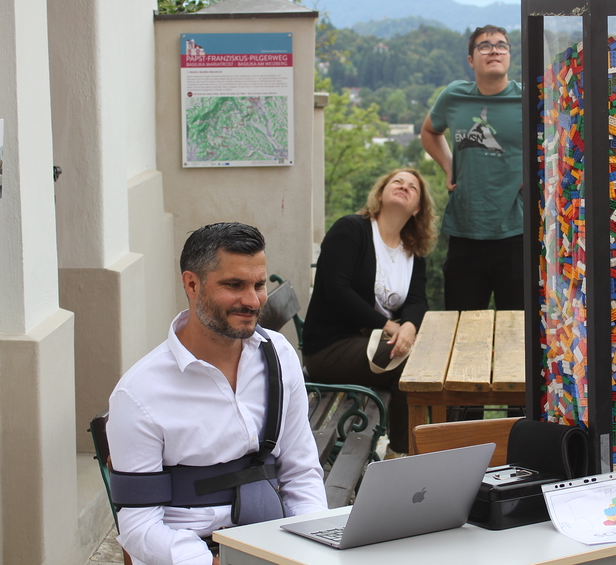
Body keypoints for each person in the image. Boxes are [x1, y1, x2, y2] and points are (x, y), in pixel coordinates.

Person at [107, 222, 327, 565]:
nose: (252, 301)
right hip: (192, 553)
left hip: (273, 544)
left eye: (259, 285)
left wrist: (312, 543)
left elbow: (301, 472)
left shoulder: (279, 355)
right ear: (192, 284)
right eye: (234, 285)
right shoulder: (139, 393)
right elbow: (139, 527)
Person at [303, 168, 436, 456]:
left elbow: (417, 300)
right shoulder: (351, 230)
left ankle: (436, 443)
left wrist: (409, 326)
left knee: (432, 355)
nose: (404, 186)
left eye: (412, 187)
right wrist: (390, 326)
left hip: (372, 343)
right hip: (329, 348)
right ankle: (401, 454)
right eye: (397, 182)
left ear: (417, 208)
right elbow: (338, 291)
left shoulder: (412, 249)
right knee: (410, 365)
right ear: (381, 193)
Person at [420, 24, 524, 311]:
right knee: (462, 325)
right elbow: (429, 131)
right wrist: (448, 166)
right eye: (485, 46)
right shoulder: (454, 96)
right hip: (465, 231)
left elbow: (559, 142)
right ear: (471, 60)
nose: (494, 51)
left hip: (517, 232)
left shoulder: (530, 98)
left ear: (509, 56)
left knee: (517, 328)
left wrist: (535, 174)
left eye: (501, 46)